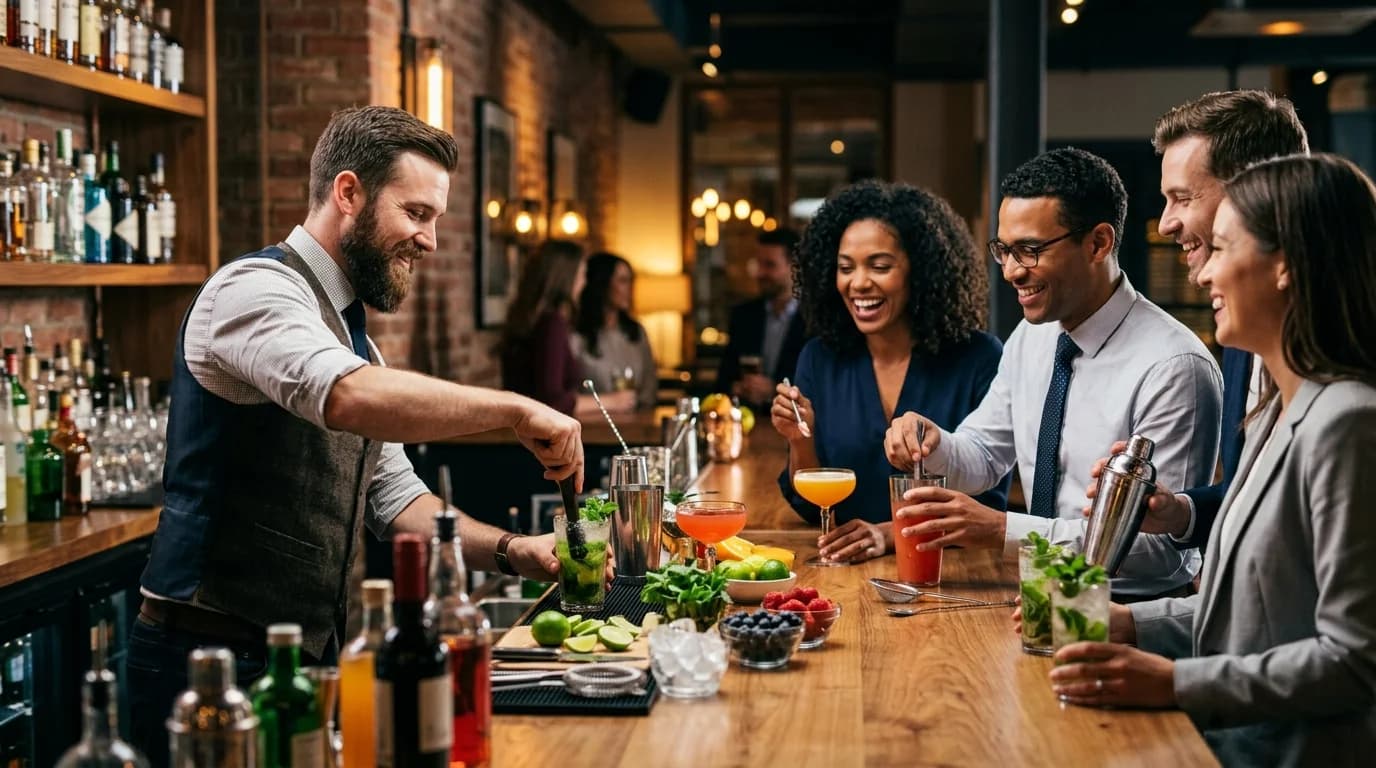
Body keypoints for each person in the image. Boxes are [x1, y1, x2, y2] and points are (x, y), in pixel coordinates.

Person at [127, 107, 586, 763]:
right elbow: (342, 397)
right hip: (207, 665)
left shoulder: (354, 340)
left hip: (308, 660)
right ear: (348, 193)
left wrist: (517, 550)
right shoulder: (253, 290)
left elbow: (398, 504)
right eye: (417, 214)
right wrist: (515, 410)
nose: (429, 241)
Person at [1050, 154, 1376, 765]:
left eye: (1221, 250)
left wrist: (1174, 682)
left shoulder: (1350, 422)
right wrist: (1129, 624)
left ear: (1285, 267)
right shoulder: (1274, 412)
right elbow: (1251, 616)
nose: (1202, 277)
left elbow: (1354, 660)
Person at [885, 148, 1222, 599]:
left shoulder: (1175, 367)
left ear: (1099, 243)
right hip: (1036, 599)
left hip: (1127, 615)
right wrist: (933, 442)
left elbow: (1159, 547)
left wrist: (1004, 530)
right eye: (1004, 250)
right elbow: (983, 455)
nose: (1009, 272)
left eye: (1029, 251)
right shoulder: (1032, 336)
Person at [1087, 91, 1310, 550]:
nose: (1165, 223)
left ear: (1256, 193)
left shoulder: (1344, 385)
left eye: (1182, 198)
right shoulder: (1243, 334)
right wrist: (1179, 511)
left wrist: (1143, 623)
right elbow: (1253, 504)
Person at [771, 180, 1008, 564]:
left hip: (951, 573)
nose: (859, 283)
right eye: (845, 268)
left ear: (923, 270)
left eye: (879, 266)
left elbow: (985, 502)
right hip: (843, 572)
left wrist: (886, 534)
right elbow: (812, 506)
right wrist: (800, 440)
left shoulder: (978, 357)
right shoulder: (819, 357)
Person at [499, 240, 634, 416]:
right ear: (567, 276)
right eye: (582, 274)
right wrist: (612, 401)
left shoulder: (532, 319)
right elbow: (551, 400)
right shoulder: (551, 323)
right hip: (536, 435)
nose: (584, 283)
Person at [715, 228, 807, 408]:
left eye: (770, 265)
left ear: (794, 267)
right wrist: (738, 388)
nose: (760, 273)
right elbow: (722, 382)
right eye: (759, 264)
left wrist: (773, 389)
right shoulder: (743, 315)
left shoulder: (816, 319)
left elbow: (823, 388)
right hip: (749, 424)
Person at [572, 252, 658, 409]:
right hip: (589, 424)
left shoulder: (636, 333)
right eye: (622, 281)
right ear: (602, 284)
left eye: (631, 281)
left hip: (635, 423)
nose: (629, 289)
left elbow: (649, 388)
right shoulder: (576, 334)